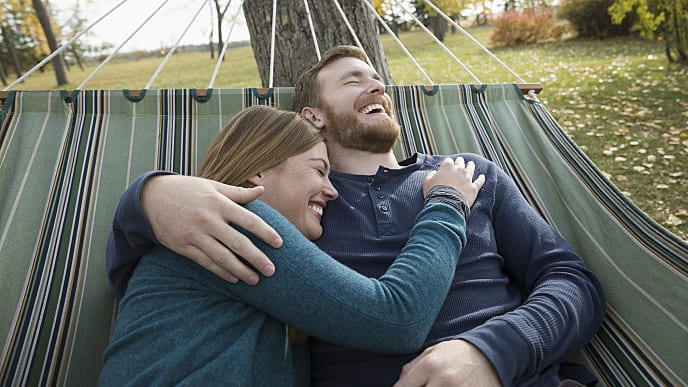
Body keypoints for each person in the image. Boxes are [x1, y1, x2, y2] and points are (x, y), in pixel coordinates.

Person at [106, 46, 606, 386]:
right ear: (313, 116)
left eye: (378, 79)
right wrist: (149, 196)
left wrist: (497, 350)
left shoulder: (469, 172)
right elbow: (393, 318)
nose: (376, 86)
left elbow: (570, 279)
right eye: (352, 80)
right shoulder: (294, 212)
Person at [99, 105, 485, 386]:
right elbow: (397, 320)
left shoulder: (198, 240)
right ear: (257, 171)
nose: (332, 190)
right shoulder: (237, 223)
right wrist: (447, 204)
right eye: (319, 170)